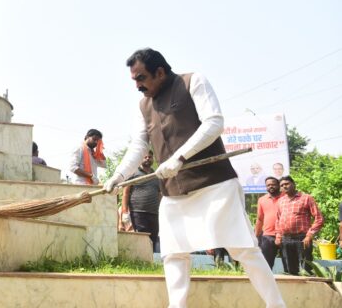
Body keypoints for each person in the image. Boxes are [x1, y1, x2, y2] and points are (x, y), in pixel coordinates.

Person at [104, 48, 285, 308]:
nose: (137, 85)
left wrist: (179, 158)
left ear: (160, 72)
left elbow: (214, 123)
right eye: (134, 79)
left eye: (141, 78)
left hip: (215, 184)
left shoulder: (192, 82)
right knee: (173, 254)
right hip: (173, 193)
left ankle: (276, 304)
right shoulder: (143, 105)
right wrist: (118, 176)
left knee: (242, 248)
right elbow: (138, 145)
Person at [275, 176, 324, 275]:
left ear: (293, 184)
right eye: (282, 185)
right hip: (286, 239)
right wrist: (278, 236)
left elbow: (319, 218)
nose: (284, 186)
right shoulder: (281, 201)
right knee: (290, 270)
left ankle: (308, 289)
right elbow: (278, 220)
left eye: (287, 184)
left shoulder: (306, 198)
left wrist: (309, 235)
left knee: (306, 269)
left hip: (302, 238)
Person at [121, 150, 162, 253]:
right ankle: (142, 260)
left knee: (153, 237)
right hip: (138, 212)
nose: (147, 159)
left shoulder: (156, 175)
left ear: (153, 159)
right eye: (145, 157)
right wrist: (125, 212)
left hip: (154, 212)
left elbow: (160, 194)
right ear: (140, 159)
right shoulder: (133, 173)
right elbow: (125, 193)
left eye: (150, 157)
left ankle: (150, 261)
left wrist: (161, 210)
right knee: (142, 236)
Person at [254, 177, 282, 270]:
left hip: (284, 235)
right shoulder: (262, 200)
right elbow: (260, 219)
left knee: (289, 264)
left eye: (273, 184)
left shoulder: (286, 197)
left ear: (278, 185)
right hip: (267, 236)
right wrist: (256, 235)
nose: (271, 186)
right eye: (268, 185)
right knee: (266, 265)